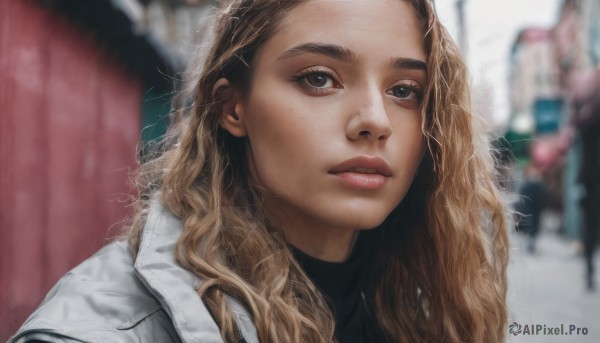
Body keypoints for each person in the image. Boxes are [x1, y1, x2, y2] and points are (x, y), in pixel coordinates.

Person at [10, 0, 510, 342]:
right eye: (319, 78)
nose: (375, 122)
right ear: (233, 108)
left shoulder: (424, 303)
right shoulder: (95, 332)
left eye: (405, 90)